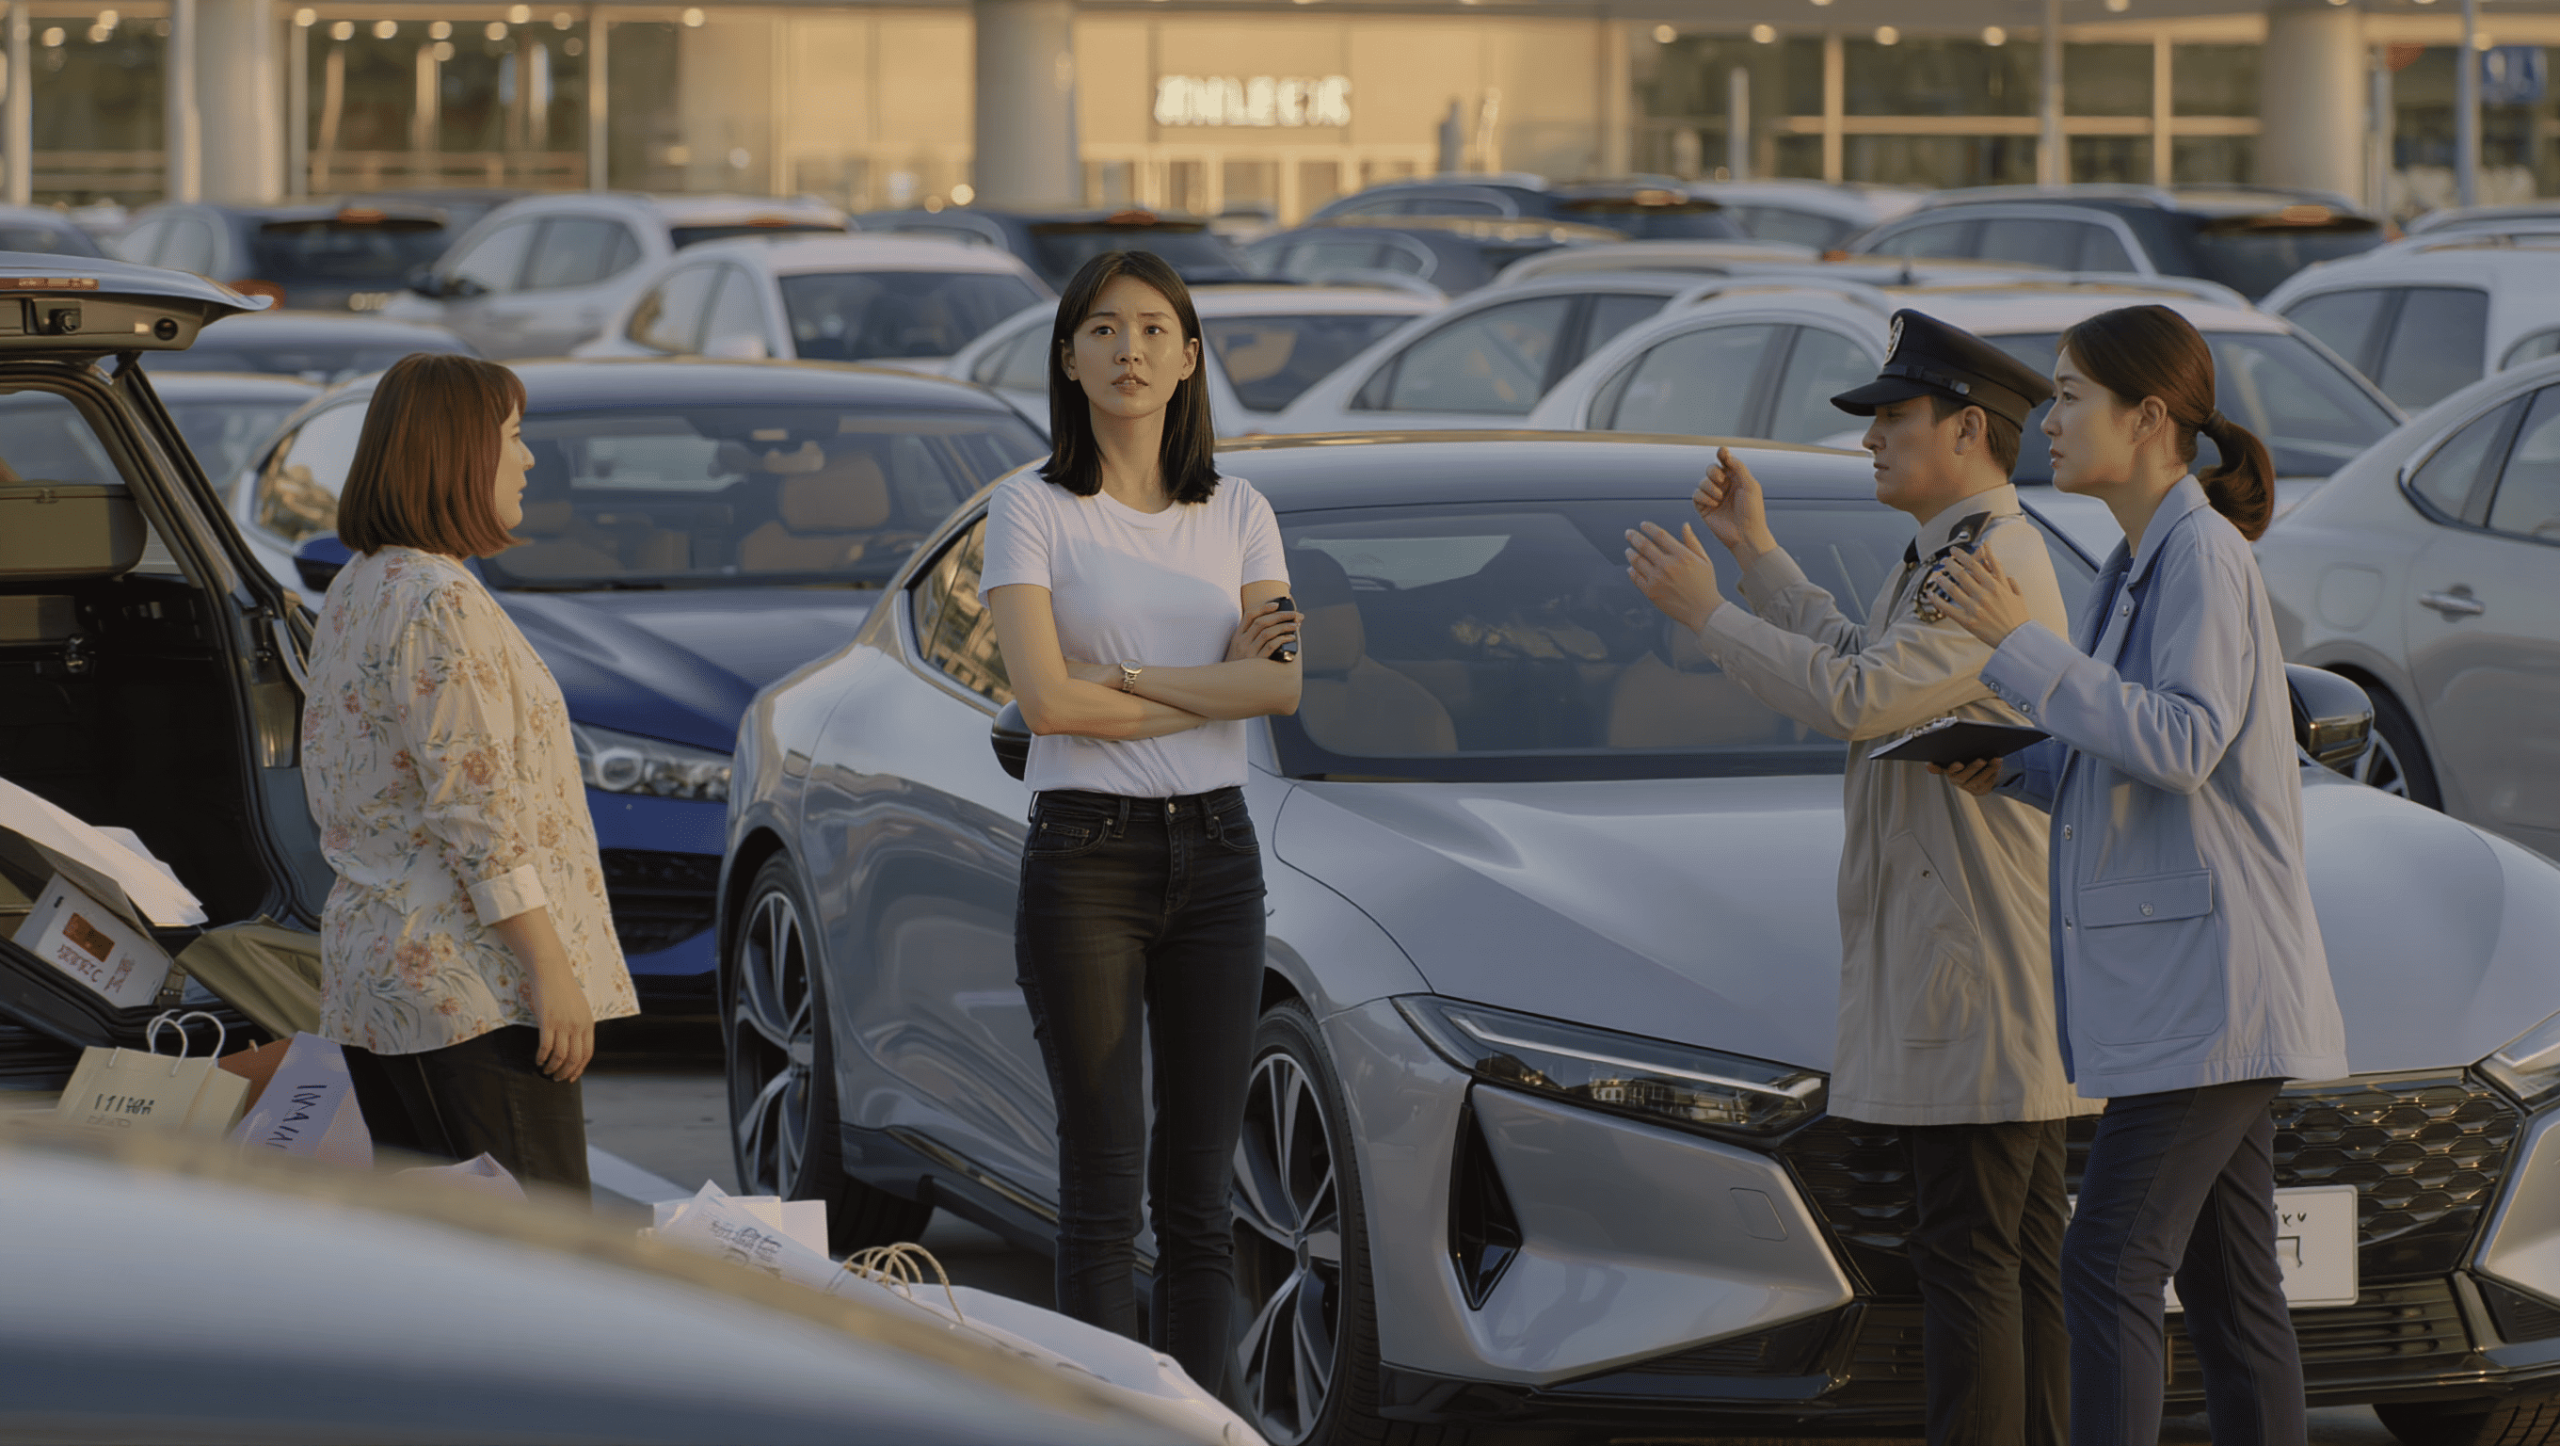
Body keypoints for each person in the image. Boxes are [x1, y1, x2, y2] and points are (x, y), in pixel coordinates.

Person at [1624, 310, 2091, 1446]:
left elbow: (1856, 701)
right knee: (2013, 1259)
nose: (1871, 442)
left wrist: (1709, 615)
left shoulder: (1988, 559)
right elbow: (1858, 659)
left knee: (1975, 1263)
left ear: (1968, 429)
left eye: (1893, 420)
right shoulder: (1952, 552)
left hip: (1974, 966)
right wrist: (1757, 556)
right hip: (1975, 965)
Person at [1928, 303, 2349, 1446]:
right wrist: (2015, 772)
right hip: (2190, 988)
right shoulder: (2133, 560)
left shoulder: (2201, 554)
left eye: (2067, 395)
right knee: (2229, 1292)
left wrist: (2023, 649)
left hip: (2204, 994)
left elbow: (2181, 742)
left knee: (2106, 1262)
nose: (2046, 420)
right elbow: (2130, 759)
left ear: (2148, 416)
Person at [981, 250, 1301, 1391]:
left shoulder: (1241, 510)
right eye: (1104, 330)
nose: (1131, 350)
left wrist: (1112, 679)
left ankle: (1203, 1425)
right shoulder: (1031, 511)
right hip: (1086, 859)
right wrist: (1189, 676)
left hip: (1218, 855)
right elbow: (1045, 701)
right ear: (1068, 357)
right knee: (1104, 1190)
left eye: (1155, 329)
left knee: (1202, 1199)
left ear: (1190, 357)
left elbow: (1280, 689)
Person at [301, 352, 637, 1192]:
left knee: (449, 1270)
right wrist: (550, 971)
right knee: (539, 1266)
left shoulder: (359, 585)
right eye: (514, 438)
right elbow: (476, 810)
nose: (527, 460)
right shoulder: (438, 600)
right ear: (456, 452)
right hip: (473, 989)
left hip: (388, 976)